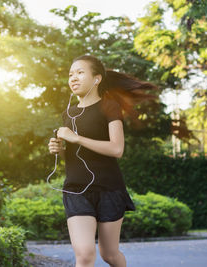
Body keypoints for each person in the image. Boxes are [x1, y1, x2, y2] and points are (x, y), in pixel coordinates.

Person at [47, 54, 157, 267]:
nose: (73, 78)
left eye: (80, 73)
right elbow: (73, 155)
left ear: (96, 79)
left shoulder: (109, 106)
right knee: (86, 255)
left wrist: (76, 138)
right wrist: (59, 150)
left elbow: (117, 149)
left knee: (109, 254)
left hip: (109, 189)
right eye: (71, 74)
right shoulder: (68, 114)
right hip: (76, 189)